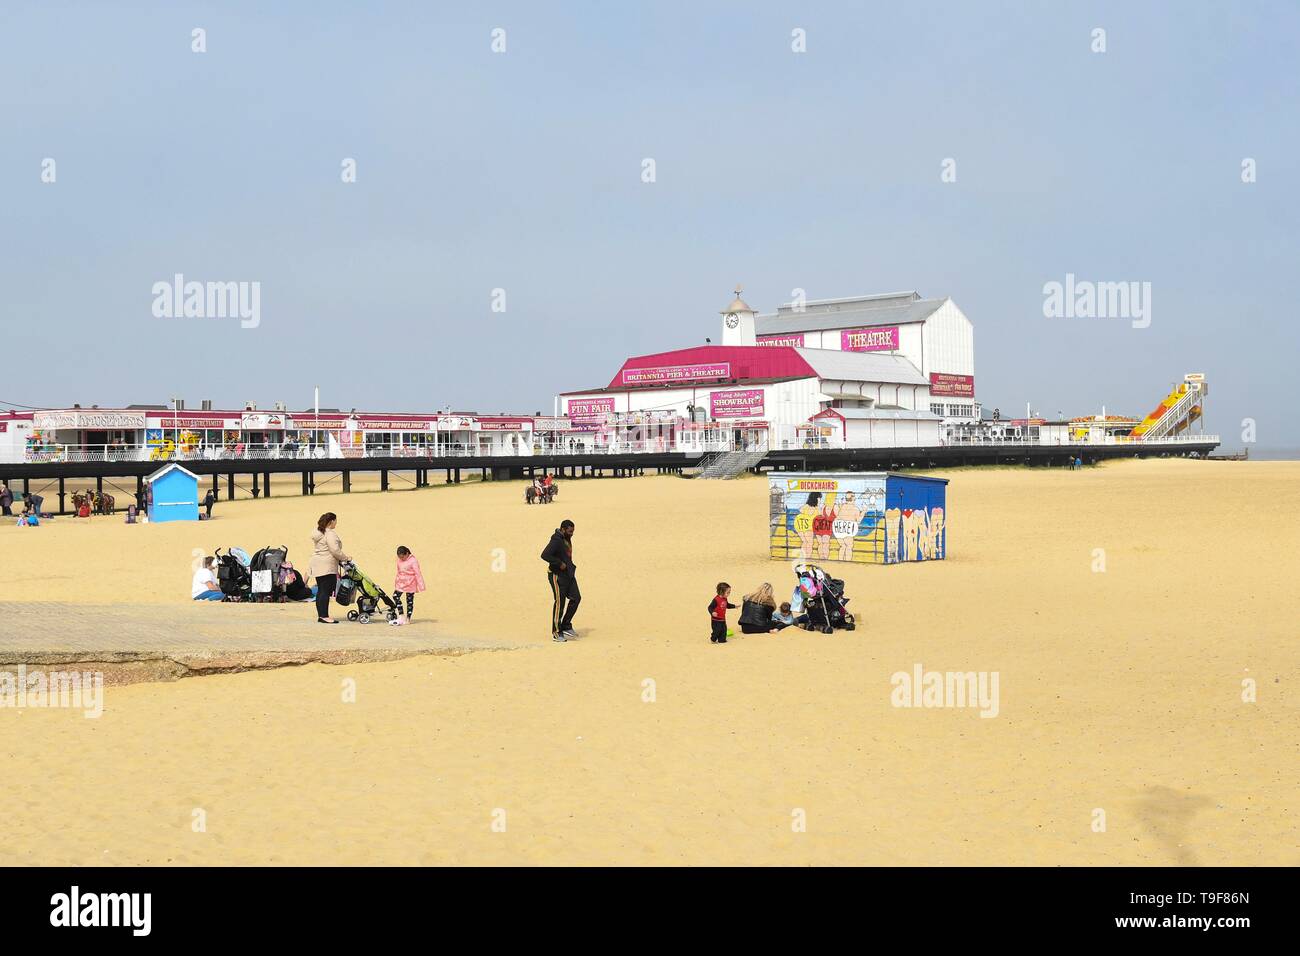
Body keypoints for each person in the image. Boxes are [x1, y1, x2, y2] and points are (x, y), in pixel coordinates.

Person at [541, 519, 579, 642]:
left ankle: (566, 625)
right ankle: (557, 632)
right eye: (570, 531)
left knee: (576, 598)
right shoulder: (556, 540)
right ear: (563, 529)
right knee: (560, 602)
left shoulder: (566, 537)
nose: (572, 534)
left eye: (573, 531)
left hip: (568, 574)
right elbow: (545, 555)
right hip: (556, 575)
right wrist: (559, 563)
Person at [310, 512, 351, 624]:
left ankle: (322, 615)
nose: (336, 523)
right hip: (327, 565)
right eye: (335, 521)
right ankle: (324, 616)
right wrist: (346, 558)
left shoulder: (320, 532)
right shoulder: (330, 534)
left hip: (317, 564)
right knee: (325, 590)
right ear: (331, 521)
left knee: (321, 590)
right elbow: (334, 550)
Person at [392, 546, 426, 622]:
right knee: (395, 596)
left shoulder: (413, 561)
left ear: (407, 554)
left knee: (409, 601)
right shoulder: (399, 560)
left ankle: (408, 619)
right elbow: (399, 571)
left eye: (403, 557)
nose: (401, 559)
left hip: (411, 583)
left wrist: (421, 585)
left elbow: (418, 573)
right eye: (399, 557)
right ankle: (401, 616)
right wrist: (397, 580)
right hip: (401, 582)